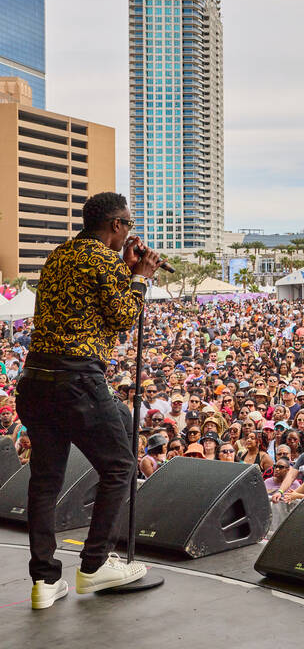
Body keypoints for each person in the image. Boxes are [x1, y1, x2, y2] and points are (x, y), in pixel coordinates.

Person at [17, 192, 161, 606]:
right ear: (115, 224)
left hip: (35, 379)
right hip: (75, 379)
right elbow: (121, 318)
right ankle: (94, 567)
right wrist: (139, 277)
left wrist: (125, 268)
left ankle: (44, 582)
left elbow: (90, 300)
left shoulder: (60, 255)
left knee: (45, 481)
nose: (129, 233)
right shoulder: (100, 260)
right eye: (128, 225)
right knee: (119, 466)